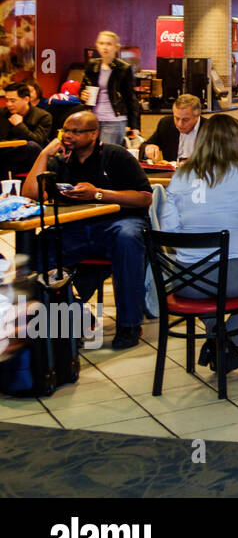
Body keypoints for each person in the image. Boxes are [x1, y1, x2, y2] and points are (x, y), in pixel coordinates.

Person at [158, 113, 238, 372]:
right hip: (233, 277)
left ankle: (217, 338)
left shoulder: (181, 174)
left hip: (185, 280)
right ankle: (227, 342)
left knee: (208, 296)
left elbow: (168, 229)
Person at [22, 110, 152, 349]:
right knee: (34, 248)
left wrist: (98, 194)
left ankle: (129, 324)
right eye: (65, 131)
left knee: (127, 238)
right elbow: (30, 195)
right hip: (78, 227)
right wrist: (43, 153)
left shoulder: (116, 156)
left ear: (93, 134)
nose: (68, 136)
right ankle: (72, 315)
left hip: (120, 223)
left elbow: (144, 198)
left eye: (75, 131)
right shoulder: (60, 160)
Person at [80, 30, 141, 147]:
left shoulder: (123, 68)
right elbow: (84, 88)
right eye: (102, 43)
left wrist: (135, 126)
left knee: (107, 157)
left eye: (109, 44)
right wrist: (82, 95)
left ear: (116, 47)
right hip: (93, 119)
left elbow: (131, 99)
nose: (105, 47)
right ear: (97, 45)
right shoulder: (92, 65)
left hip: (114, 120)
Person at [0, 82, 52, 175]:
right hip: (5, 154)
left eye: (12, 101)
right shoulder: (2, 113)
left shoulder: (43, 116)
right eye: (6, 100)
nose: (8, 104)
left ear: (26, 99)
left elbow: (38, 141)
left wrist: (19, 126)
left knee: (31, 146)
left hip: (29, 158)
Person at [142, 93, 203, 163]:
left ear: (197, 116)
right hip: (170, 173)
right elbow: (145, 146)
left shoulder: (210, 129)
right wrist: (148, 148)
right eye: (177, 118)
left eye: (185, 120)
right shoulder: (166, 124)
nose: (180, 124)